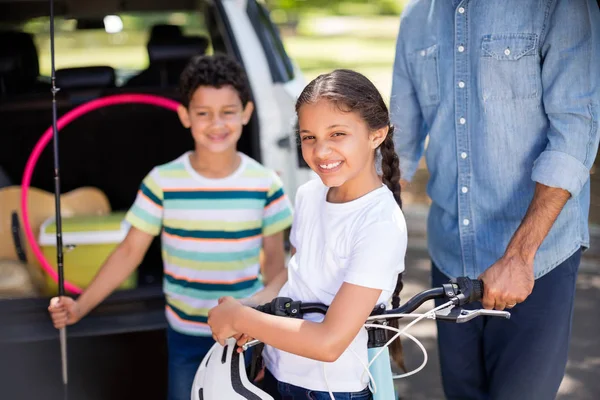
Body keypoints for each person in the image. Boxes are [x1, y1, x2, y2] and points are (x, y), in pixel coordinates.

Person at [47, 54, 294, 400]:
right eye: (203, 113)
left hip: (244, 330)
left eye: (228, 111)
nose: (216, 123)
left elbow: (274, 263)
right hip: (184, 334)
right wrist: (80, 306)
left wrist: (268, 325)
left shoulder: (265, 184)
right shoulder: (163, 181)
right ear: (185, 116)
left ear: (246, 113)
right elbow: (130, 251)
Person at [391, 1, 600, 399]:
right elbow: (397, 148)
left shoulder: (561, 6)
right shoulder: (417, 16)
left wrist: (519, 257)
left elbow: (576, 133)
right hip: (450, 256)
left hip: (538, 258)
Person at [208, 69, 407, 400]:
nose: (321, 151)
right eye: (309, 137)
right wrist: (253, 307)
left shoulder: (380, 223)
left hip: (332, 390)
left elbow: (329, 342)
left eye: (338, 134)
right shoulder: (309, 194)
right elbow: (297, 272)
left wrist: (242, 318)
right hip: (275, 370)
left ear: (377, 134)